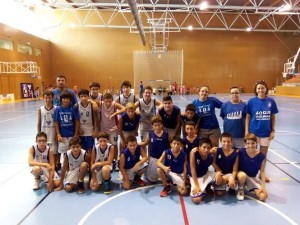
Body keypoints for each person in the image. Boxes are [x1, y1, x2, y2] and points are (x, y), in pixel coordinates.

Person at [245, 80, 279, 182]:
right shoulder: (251, 101)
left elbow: (273, 117)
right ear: (256, 90)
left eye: (262, 88)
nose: (261, 90)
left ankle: (262, 173)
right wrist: (246, 131)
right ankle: (248, 172)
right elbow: (247, 117)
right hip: (253, 132)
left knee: (263, 155)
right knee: (250, 153)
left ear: (266, 89)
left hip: (266, 133)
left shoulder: (271, 101)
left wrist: (273, 130)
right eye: (258, 88)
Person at [236, 133, 268, 201]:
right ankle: (241, 189)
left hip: (252, 178)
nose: (250, 145)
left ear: (256, 143)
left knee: (263, 197)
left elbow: (262, 171)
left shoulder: (261, 156)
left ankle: (249, 187)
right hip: (241, 176)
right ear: (245, 144)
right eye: (248, 143)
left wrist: (263, 187)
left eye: (253, 143)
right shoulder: (241, 151)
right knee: (242, 175)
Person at [53, 92, 80, 167]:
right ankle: (65, 168)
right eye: (64, 99)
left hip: (72, 135)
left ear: (70, 100)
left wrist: (76, 134)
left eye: (67, 99)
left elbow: (77, 121)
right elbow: (56, 122)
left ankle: (73, 166)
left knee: (73, 151)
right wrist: (58, 134)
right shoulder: (58, 109)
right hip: (63, 135)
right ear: (61, 100)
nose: (65, 100)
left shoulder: (73, 109)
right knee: (64, 153)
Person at [141, 116, 170, 183]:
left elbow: (170, 145)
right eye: (155, 125)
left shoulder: (166, 134)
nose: (157, 127)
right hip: (154, 158)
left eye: (159, 125)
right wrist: (135, 144)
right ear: (152, 126)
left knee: (167, 176)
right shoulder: (150, 134)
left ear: (162, 125)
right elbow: (145, 143)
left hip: (164, 158)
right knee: (152, 179)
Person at [99, 92, 126, 165]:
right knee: (104, 145)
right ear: (103, 101)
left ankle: (115, 160)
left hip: (113, 128)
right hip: (103, 128)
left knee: (114, 145)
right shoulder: (101, 104)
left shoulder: (114, 104)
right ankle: (106, 160)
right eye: (106, 101)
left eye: (110, 101)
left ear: (112, 100)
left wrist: (115, 114)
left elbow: (124, 109)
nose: (108, 103)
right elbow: (92, 102)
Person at [189, 137, 216, 204]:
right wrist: (197, 185)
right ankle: (202, 188)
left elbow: (217, 169)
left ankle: (207, 187)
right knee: (197, 200)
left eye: (208, 148)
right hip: (194, 177)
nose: (206, 150)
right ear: (199, 147)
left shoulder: (210, 157)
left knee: (220, 178)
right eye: (204, 147)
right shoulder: (194, 153)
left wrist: (218, 173)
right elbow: (193, 170)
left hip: (205, 174)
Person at [37, 90, 59, 170]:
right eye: (46, 98)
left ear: (52, 98)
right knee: (44, 150)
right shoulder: (40, 109)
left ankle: (55, 165)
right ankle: (46, 165)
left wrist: (57, 134)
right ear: (43, 98)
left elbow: (58, 122)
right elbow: (39, 122)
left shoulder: (56, 108)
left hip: (53, 133)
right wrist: (38, 134)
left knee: (55, 151)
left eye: (49, 98)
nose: (48, 99)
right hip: (44, 133)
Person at [76, 89, 98, 157]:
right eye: (81, 96)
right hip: (81, 130)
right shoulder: (76, 106)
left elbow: (95, 118)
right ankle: (84, 162)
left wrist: (95, 130)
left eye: (85, 96)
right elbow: (76, 119)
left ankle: (90, 163)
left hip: (90, 130)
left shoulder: (92, 105)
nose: (83, 98)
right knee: (82, 148)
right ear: (79, 97)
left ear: (88, 97)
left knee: (90, 148)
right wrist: (78, 129)